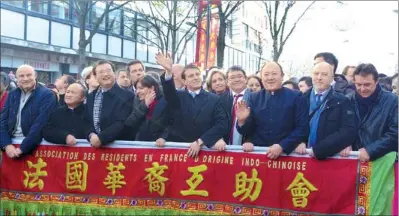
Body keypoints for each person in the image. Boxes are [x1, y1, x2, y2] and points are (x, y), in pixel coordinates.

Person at [155, 53, 228, 157]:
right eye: (191, 76)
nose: (195, 78)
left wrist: (200, 142)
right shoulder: (177, 97)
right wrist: (169, 71)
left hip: (206, 152)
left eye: (197, 75)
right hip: (180, 153)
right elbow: (169, 91)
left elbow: (221, 125)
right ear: (184, 81)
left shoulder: (214, 99)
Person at [235, 61, 308, 159]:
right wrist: (242, 121)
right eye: (266, 74)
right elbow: (248, 131)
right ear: (261, 77)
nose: (270, 78)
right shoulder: (254, 97)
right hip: (260, 155)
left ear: (282, 76)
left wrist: (282, 146)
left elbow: (302, 128)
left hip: (287, 154)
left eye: (274, 74)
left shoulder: (296, 96)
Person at [295, 62, 357, 159]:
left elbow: (348, 130)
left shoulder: (342, 101)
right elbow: (292, 125)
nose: (319, 77)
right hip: (301, 156)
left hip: (328, 158)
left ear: (332, 78)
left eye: (324, 74)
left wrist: (320, 149)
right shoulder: (301, 99)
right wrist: (299, 141)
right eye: (316, 74)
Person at [0, 65, 56, 158]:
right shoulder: (12, 94)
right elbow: (3, 121)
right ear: (16, 78)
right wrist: (6, 145)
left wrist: (23, 148)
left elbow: (40, 124)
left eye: (29, 75)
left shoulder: (47, 95)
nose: (25, 79)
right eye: (21, 76)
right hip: (10, 146)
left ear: (35, 76)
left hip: (33, 148)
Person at [349, 63, 398, 162]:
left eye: (367, 84)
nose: (362, 89)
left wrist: (370, 150)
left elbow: (395, 133)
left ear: (376, 81)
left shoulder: (392, 101)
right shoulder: (347, 100)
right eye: (358, 85)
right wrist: (344, 144)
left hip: (381, 160)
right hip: (352, 159)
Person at [85, 60, 135, 147]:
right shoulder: (90, 96)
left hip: (118, 148)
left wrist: (101, 138)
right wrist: (91, 135)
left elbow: (122, 122)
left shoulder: (127, 96)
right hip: (94, 146)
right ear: (95, 76)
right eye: (101, 72)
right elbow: (86, 120)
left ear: (114, 74)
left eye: (108, 70)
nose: (105, 74)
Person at [125, 75, 171, 141]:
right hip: (140, 144)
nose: (137, 92)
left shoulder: (165, 101)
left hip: (159, 145)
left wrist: (163, 137)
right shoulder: (137, 101)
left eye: (141, 88)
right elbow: (130, 123)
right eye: (137, 88)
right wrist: (144, 105)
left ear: (152, 88)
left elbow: (171, 123)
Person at [219, 66, 251, 146]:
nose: (237, 80)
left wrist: (250, 140)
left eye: (240, 76)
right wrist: (218, 138)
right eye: (232, 77)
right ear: (227, 82)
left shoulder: (255, 98)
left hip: (248, 147)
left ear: (246, 79)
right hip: (224, 147)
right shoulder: (221, 99)